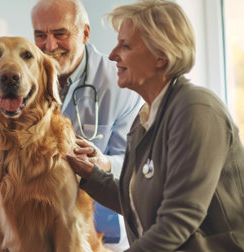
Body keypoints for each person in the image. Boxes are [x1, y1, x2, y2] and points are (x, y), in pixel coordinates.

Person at [0, 0, 142, 250]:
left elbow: (135, 165)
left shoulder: (120, 83)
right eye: (40, 35)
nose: (50, 45)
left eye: (60, 34)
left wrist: (102, 162)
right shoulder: (26, 77)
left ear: (85, 33)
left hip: (101, 233)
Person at [67, 0, 244, 251]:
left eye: (125, 45)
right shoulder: (145, 120)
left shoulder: (195, 109)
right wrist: (89, 174)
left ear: (161, 55)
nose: (112, 55)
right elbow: (134, 201)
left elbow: (179, 218)